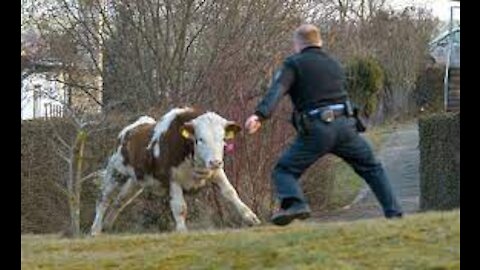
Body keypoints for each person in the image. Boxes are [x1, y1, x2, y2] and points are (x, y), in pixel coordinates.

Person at [244, 24, 403, 226]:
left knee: (283, 170)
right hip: (346, 127)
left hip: (317, 129)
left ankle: (296, 204)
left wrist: (259, 115)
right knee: (372, 168)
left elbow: (278, 89)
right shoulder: (334, 63)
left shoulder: (294, 64)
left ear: (297, 44)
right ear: (319, 41)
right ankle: (395, 214)